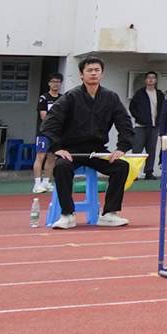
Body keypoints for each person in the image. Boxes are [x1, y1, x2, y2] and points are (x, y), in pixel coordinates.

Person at [38, 56, 136, 229]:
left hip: (97, 151)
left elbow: (125, 123)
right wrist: (57, 147)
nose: (93, 73)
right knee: (61, 167)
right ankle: (67, 214)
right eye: (89, 70)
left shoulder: (111, 97)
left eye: (97, 70)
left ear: (102, 74)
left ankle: (109, 213)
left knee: (121, 166)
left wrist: (122, 147)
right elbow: (49, 123)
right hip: (72, 150)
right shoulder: (70, 97)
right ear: (81, 74)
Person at [31, 73, 65, 193]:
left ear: (61, 84)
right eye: (53, 81)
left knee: (52, 157)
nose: (55, 84)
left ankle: (46, 181)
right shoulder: (44, 98)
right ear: (49, 83)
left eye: (58, 82)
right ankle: (37, 183)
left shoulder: (63, 98)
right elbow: (43, 116)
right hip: (44, 132)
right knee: (40, 156)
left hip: (56, 134)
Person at [129, 71, 164, 181]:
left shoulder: (159, 94)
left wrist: (159, 121)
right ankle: (134, 173)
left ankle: (149, 172)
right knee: (137, 150)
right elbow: (132, 107)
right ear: (145, 80)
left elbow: (163, 109)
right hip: (140, 126)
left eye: (153, 77)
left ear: (156, 80)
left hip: (154, 126)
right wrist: (140, 118)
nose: (151, 79)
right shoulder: (139, 93)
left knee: (151, 150)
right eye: (149, 77)